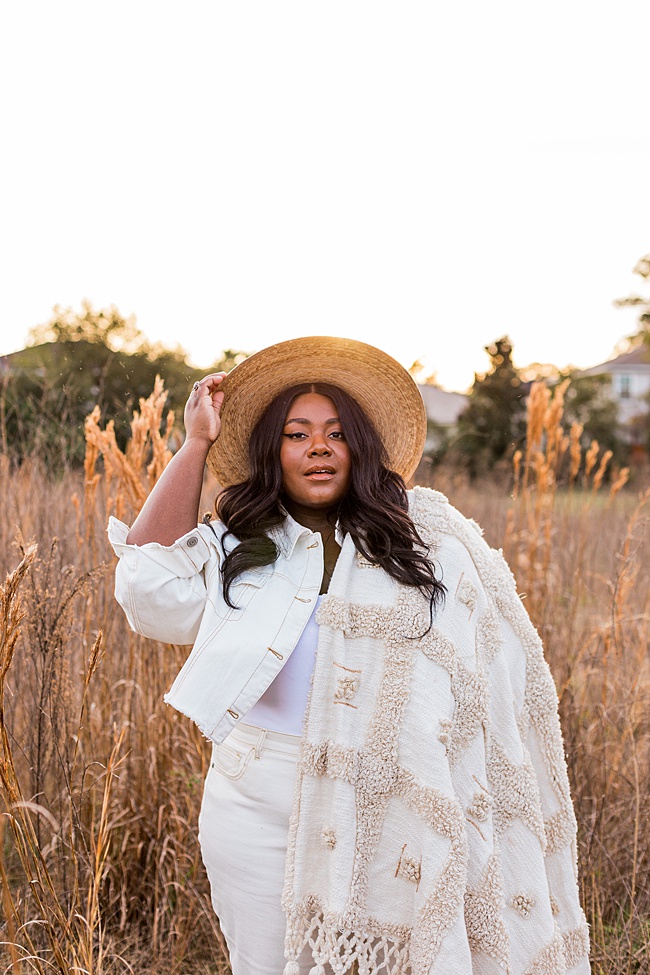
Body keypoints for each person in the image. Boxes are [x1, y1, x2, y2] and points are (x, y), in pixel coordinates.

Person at [108, 336, 590, 975]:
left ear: (359, 447)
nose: (317, 447)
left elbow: (484, 678)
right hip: (254, 801)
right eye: (296, 433)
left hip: (383, 797)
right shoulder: (239, 547)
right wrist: (196, 442)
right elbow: (147, 592)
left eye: (336, 433)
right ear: (272, 451)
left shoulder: (423, 545)